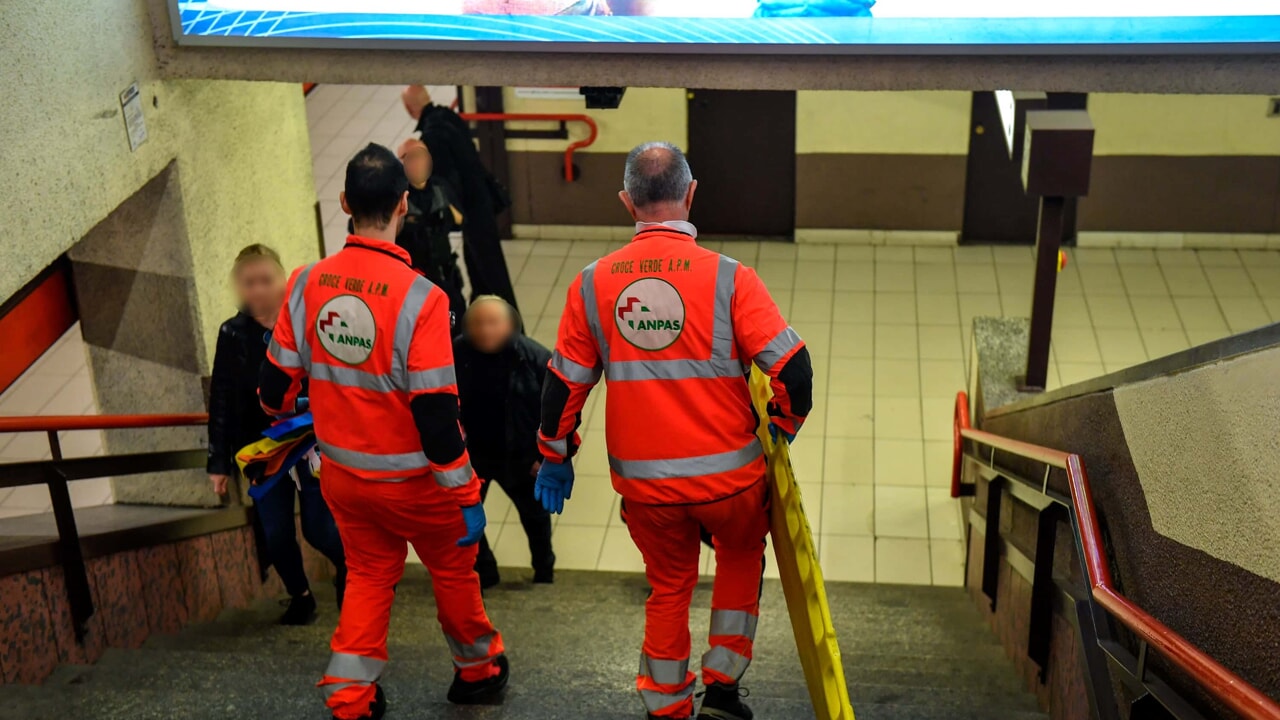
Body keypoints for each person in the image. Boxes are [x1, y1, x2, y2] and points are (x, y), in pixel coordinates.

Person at [534, 142, 812, 720]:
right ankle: (724, 688)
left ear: (626, 202)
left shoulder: (592, 284)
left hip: (647, 489)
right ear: (690, 194)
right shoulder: (731, 278)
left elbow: (562, 388)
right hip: (730, 481)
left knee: (668, 588)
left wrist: (555, 455)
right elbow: (793, 369)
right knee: (739, 558)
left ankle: (666, 705)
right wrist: (782, 425)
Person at [260, 143, 509, 720]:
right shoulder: (423, 299)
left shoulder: (306, 282)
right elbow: (435, 417)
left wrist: (303, 408)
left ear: (345, 203)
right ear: (404, 204)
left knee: (369, 576)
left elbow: (273, 387)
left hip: (345, 478)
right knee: (452, 572)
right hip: (417, 485)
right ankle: (477, 671)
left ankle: (351, 696)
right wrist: (466, 493)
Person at [206, 244, 346, 625]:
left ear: (283, 280)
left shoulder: (308, 322)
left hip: (312, 440)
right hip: (262, 445)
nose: (259, 290)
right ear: (239, 286)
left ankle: (350, 569)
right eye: (249, 282)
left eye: (267, 280)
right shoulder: (232, 334)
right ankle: (300, 596)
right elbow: (222, 398)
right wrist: (218, 462)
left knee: (320, 527)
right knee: (276, 533)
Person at [453, 296, 556, 588]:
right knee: (464, 518)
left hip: (523, 457)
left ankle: (544, 573)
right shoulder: (453, 355)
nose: (485, 330)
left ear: (511, 325)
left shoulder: (535, 358)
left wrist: (546, 457)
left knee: (536, 519)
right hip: (472, 458)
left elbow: (557, 414)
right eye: (477, 324)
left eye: (493, 323)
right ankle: (485, 572)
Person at [402, 85, 519, 311]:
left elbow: (446, 181)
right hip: (482, 197)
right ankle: (489, 312)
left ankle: (503, 320)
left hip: (471, 208)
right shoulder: (449, 117)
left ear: (409, 108)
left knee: (487, 269)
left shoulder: (432, 136)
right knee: (481, 265)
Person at [395, 138, 468, 324]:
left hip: (445, 275)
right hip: (412, 280)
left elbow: (460, 220)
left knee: (455, 324)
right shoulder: (395, 194)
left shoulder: (440, 188)